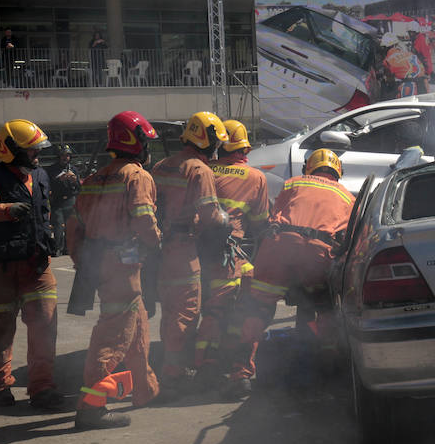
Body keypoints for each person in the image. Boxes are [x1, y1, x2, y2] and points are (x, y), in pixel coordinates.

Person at [224, 148, 353, 398]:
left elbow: (274, 216)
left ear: (309, 168)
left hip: (279, 248)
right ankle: (328, 369)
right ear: (338, 172)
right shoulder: (347, 197)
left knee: (257, 309)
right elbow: (347, 238)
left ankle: (241, 375)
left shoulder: (294, 182)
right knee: (324, 308)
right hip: (317, 254)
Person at [68, 111, 162, 430]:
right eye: (146, 141)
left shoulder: (93, 179)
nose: (149, 148)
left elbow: (74, 226)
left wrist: (83, 261)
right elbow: (143, 219)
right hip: (122, 263)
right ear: (136, 144)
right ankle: (91, 408)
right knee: (112, 334)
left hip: (99, 260)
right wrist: (157, 244)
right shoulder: (137, 176)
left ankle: (145, 391)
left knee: (136, 325)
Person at [0, 119, 63, 410]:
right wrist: (8, 210)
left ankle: (42, 388)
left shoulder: (41, 176)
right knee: (1, 328)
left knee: (45, 325)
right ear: (12, 150)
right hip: (1, 267)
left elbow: (45, 213)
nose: (37, 156)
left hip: (36, 263)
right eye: (32, 151)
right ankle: (0, 386)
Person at [150, 111, 230, 396]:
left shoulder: (161, 165)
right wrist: (226, 221)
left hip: (160, 250)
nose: (217, 147)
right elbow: (209, 216)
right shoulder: (200, 170)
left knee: (169, 312)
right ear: (206, 139)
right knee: (185, 314)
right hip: (184, 251)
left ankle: (168, 368)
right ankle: (174, 375)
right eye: (216, 141)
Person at [202, 120, 269, 384]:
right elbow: (261, 223)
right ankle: (238, 366)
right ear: (244, 149)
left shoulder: (204, 170)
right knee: (250, 302)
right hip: (230, 254)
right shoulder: (255, 177)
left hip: (194, 253)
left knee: (212, 309)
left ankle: (205, 361)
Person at [44, 144, 81, 257]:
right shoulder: (51, 170)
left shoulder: (74, 169)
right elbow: (47, 185)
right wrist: (58, 180)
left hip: (70, 199)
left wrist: (75, 180)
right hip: (57, 201)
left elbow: (79, 187)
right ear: (58, 156)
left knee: (71, 226)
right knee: (58, 225)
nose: (66, 158)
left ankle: (68, 248)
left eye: (68, 156)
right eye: (63, 156)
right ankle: (57, 248)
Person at [381, 32, 428, 98]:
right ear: (396, 45)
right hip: (424, 86)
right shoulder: (409, 53)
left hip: (408, 91)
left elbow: (390, 82)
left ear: (385, 48)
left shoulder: (388, 61)